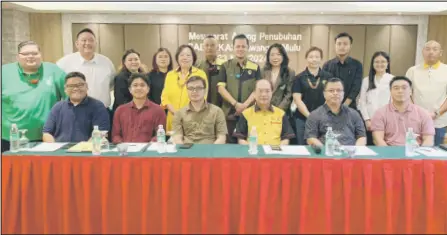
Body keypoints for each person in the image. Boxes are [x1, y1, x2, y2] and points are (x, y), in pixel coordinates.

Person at [1, 40, 67, 152]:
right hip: (10, 139)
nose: (30, 56)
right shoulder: (4, 72)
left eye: (35, 53)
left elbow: (70, 96)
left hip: (47, 137)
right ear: (17, 57)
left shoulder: (53, 70)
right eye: (25, 54)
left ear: (41, 55)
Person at [216, 34, 261, 142]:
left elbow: (257, 90)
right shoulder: (225, 66)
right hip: (229, 114)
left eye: (243, 46)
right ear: (233, 48)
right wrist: (236, 104)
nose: (240, 49)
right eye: (238, 46)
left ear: (248, 48)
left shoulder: (255, 67)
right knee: (228, 147)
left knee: (247, 144)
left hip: (249, 114)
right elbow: (221, 88)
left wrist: (244, 106)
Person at [42, 72, 110, 143]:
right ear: (65, 89)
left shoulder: (97, 106)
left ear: (86, 86)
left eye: (80, 85)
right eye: (71, 86)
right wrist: (54, 148)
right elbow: (47, 133)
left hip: (86, 151)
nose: (76, 88)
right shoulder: (57, 107)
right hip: (60, 150)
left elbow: (101, 133)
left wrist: (85, 148)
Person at [56, 28, 116, 108]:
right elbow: (58, 86)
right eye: (84, 40)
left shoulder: (106, 62)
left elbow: (111, 84)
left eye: (91, 40)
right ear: (77, 44)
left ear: (96, 43)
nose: (87, 43)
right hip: (74, 110)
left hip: (102, 111)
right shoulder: (64, 63)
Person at [371, 76, 435, 146]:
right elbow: (378, 139)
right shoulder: (380, 113)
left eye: (404, 88)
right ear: (390, 91)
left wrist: (420, 155)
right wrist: (389, 155)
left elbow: (428, 139)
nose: (400, 91)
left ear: (411, 91)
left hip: (416, 153)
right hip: (389, 151)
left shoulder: (423, 113)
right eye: (396, 88)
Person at [406, 40, 447, 146]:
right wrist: (417, 112)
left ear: (441, 53)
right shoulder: (412, 71)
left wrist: (436, 113)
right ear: (423, 51)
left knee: (435, 157)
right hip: (416, 120)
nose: (431, 52)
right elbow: (407, 94)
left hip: (439, 122)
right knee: (414, 155)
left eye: (435, 49)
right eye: (427, 49)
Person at [305, 77, 366, 146]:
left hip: (349, 153)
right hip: (326, 153)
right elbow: (310, 138)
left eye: (339, 90)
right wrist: (324, 151)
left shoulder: (354, 114)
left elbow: (362, 136)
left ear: (343, 93)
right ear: (324, 94)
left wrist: (355, 150)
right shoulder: (315, 115)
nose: (335, 93)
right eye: (331, 90)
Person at [161, 45, 208, 133]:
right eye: (182, 55)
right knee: (173, 144)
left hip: (193, 118)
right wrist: (176, 114)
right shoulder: (170, 75)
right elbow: (165, 97)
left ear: (193, 58)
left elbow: (202, 97)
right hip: (173, 117)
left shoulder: (200, 74)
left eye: (188, 55)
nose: (185, 58)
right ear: (177, 58)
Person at [233, 79, 295, 145]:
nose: (263, 94)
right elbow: (241, 139)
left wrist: (278, 152)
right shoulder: (246, 114)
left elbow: (285, 139)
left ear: (272, 92)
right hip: (253, 152)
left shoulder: (281, 114)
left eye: (267, 91)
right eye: (260, 91)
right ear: (254, 93)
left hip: (275, 153)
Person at [292, 46, 332, 145]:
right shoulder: (299, 77)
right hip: (302, 118)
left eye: (317, 57)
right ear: (306, 58)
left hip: (323, 118)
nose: (314, 59)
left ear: (321, 59)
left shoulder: (328, 77)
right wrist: (310, 116)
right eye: (311, 57)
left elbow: (330, 97)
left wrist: (319, 116)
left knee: (321, 147)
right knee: (302, 147)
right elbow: (297, 100)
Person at [112, 73, 166, 143]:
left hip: (148, 151)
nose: (139, 88)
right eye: (135, 85)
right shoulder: (120, 110)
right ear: (130, 89)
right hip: (125, 151)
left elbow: (159, 136)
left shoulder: (158, 111)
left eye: (142, 85)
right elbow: (115, 136)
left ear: (148, 89)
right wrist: (123, 145)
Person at [172, 76, 227, 144]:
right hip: (188, 151)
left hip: (210, 151)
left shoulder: (217, 111)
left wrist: (211, 152)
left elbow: (221, 138)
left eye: (198, 88)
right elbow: (177, 138)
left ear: (205, 90)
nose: (194, 91)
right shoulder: (179, 113)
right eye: (191, 88)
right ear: (187, 91)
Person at [358, 51, 394, 145]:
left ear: (387, 64)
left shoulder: (393, 80)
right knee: (370, 148)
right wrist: (367, 120)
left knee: (384, 148)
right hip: (370, 121)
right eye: (376, 62)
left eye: (383, 62)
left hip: (387, 121)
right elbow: (362, 102)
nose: (379, 64)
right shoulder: (366, 80)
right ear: (372, 64)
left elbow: (394, 102)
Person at [323, 32, 363, 109]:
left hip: (349, 107)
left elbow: (356, 87)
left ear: (350, 46)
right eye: (339, 44)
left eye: (345, 44)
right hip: (330, 106)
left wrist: (344, 106)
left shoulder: (357, 65)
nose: (342, 46)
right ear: (335, 45)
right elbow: (325, 87)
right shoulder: (327, 65)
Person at [261, 43, 295, 111]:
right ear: (268, 57)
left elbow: (289, 95)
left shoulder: (289, 72)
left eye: (278, 54)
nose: (275, 57)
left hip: (281, 111)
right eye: (272, 55)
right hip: (264, 109)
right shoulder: (263, 71)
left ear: (283, 56)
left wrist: (278, 110)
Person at [196, 35, 226, 107]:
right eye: (207, 45)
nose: (209, 48)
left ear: (217, 47)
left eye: (212, 45)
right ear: (203, 47)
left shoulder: (225, 65)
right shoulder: (197, 66)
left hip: (221, 107)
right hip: (201, 107)